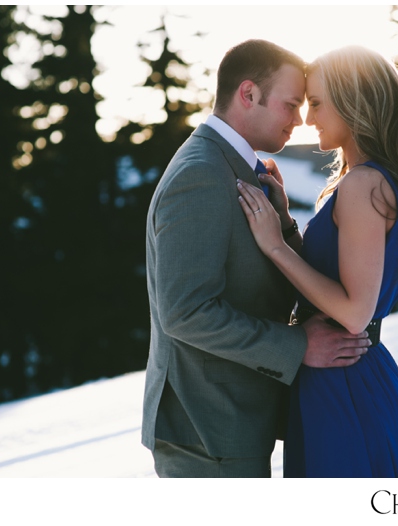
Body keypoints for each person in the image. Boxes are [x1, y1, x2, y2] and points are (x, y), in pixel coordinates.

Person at [141, 39, 372, 478]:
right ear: (248, 94)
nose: (301, 120)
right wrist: (299, 345)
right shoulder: (201, 174)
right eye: (291, 105)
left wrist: (283, 222)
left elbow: (256, 279)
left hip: (228, 422)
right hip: (207, 429)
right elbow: (185, 312)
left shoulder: (235, 167)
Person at [236, 46, 398, 477]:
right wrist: (285, 222)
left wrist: (275, 247)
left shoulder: (363, 185)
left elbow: (355, 312)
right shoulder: (372, 180)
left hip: (345, 379)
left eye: (316, 103)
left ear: (355, 104)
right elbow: (336, 274)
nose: (307, 118)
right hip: (347, 373)